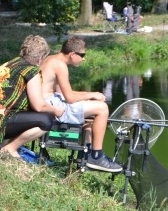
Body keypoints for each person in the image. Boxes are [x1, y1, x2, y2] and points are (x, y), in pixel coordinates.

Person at [40, 36, 123, 173]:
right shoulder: (60, 65)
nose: (84, 58)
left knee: (91, 112)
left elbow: (63, 93)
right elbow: (70, 98)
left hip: (50, 101)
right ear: (72, 54)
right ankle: (96, 156)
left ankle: (85, 152)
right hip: (51, 107)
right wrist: (93, 94)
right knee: (102, 108)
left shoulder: (52, 59)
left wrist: (87, 100)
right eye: (82, 55)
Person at [0, 35, 64, 158]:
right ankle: (10, 148)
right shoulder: (31, 71)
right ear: (40, 58)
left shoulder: (10, 63)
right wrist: (56, 110)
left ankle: (3, 142)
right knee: (46, 120)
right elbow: (39, 106)